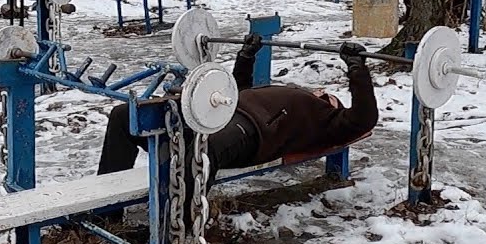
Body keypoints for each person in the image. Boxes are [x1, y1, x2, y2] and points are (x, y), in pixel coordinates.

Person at [97, 34, 379, 221]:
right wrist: (247, 55)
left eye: (329, 95)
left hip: (251, 133)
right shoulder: (290, 92)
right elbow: (238, 89)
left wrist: (357, 69)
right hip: (213, 111)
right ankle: (105, 213)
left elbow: (363, 119)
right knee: (123, 115)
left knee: (205, 152)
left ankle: (172, 242)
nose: (322, 91)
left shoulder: (324, 119)